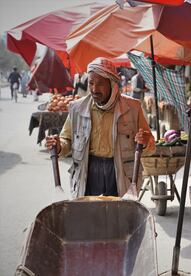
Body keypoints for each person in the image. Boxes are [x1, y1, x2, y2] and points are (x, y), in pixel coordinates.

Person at [45, 57, 155, 198]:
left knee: (118, 217)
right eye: (91, 83)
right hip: (88, 171)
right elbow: (66, 140)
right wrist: (59, 145)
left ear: (113, 85)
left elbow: (151, 147)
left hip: (119, 173)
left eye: (100, 84)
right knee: (89, 216)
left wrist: (146, 141)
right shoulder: (76, 108)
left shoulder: (133, 108)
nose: (94, 89)